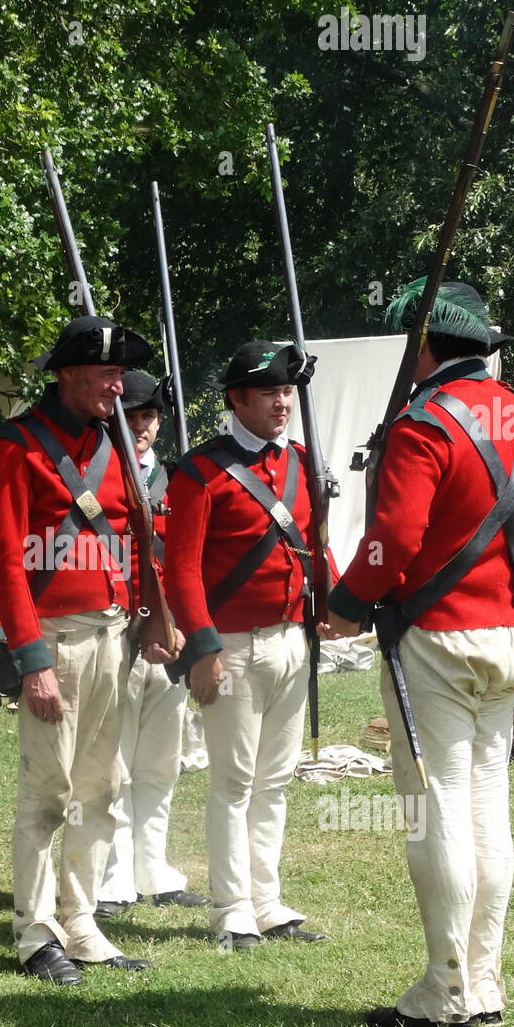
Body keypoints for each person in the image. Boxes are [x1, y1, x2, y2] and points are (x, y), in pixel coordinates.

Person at [325, 280, 514, 1027]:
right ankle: (485, 979)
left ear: (423, 347)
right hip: (503, 634)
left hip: (436, 639)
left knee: (435, 811)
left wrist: (345, 601)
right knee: (488, 808)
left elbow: (393, 540)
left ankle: (445, 988)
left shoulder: (421, 426)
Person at [0, 316, 173, 984]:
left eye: (121, 374)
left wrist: (149, 614)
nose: (119, 387)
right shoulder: (16, 448)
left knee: (102, 784)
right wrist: (33, 658)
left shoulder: (116, 444)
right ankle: (35, 932)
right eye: (105, 374)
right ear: (67, 375)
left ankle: (81, 918)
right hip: (55, 636)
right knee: (46, 791)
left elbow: (135, 536)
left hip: (112, 632)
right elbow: (3, 563)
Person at [164, 341, 332, 950]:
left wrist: (332, 604)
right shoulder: (200, 472)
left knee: (275, 779)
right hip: (230, 646)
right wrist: (204, 648)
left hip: (291, 638)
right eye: (270, 392)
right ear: (237, 400)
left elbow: (315, 544)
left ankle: (268, 900)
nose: (283, 402)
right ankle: (232, 907)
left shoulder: (305, 464)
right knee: (233, 782)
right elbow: (181, 570)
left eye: (287, 391)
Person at [96, 370, 209, 918]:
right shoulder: (102, 479)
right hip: (119, 628)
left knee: (161, 761)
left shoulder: (177, 479)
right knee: (114, 762)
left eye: (147, 417)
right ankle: (112, 876)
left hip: (173, 633)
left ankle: (154, 866)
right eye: (131, 416)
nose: (139, 426)